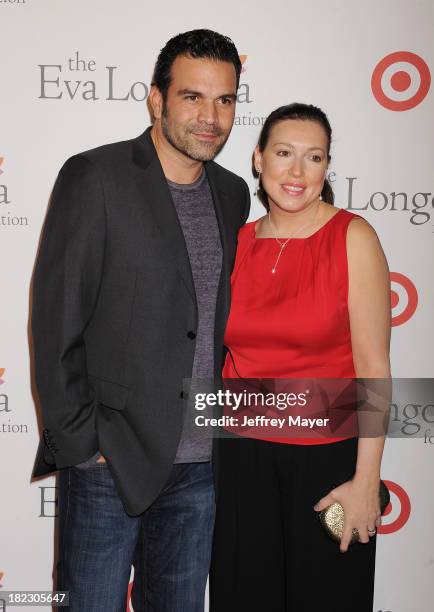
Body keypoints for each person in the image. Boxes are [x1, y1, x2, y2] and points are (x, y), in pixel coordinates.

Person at [31, 29, 250, 611]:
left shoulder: (232, 194)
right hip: (111, 461)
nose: (211, 117)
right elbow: (55, 323)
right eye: (192, 97)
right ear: (156, 99)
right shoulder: (94, 177)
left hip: (199, 468)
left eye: (225, 100)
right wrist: (81, 444)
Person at [210, 103, 391, 612]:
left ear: (326, 168)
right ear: (258, 158)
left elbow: (374, 368)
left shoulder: (353, 237)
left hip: (329, 462)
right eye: (284, 153)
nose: (296, 171)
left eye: (313, 158)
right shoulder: (237, 243)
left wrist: (366, 480)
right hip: (242, 462)